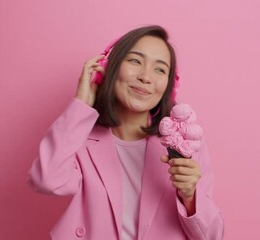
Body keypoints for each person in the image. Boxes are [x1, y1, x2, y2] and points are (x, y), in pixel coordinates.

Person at [28, 25, 224, 240]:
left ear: (169, 85)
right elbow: (45, 180)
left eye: (159, 69)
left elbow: (213, 236)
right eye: (135, 61)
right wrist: (81, 104)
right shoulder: (79, 136)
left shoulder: (184, 142)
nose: (145, 77)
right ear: (108, 69)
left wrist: (190, 196)